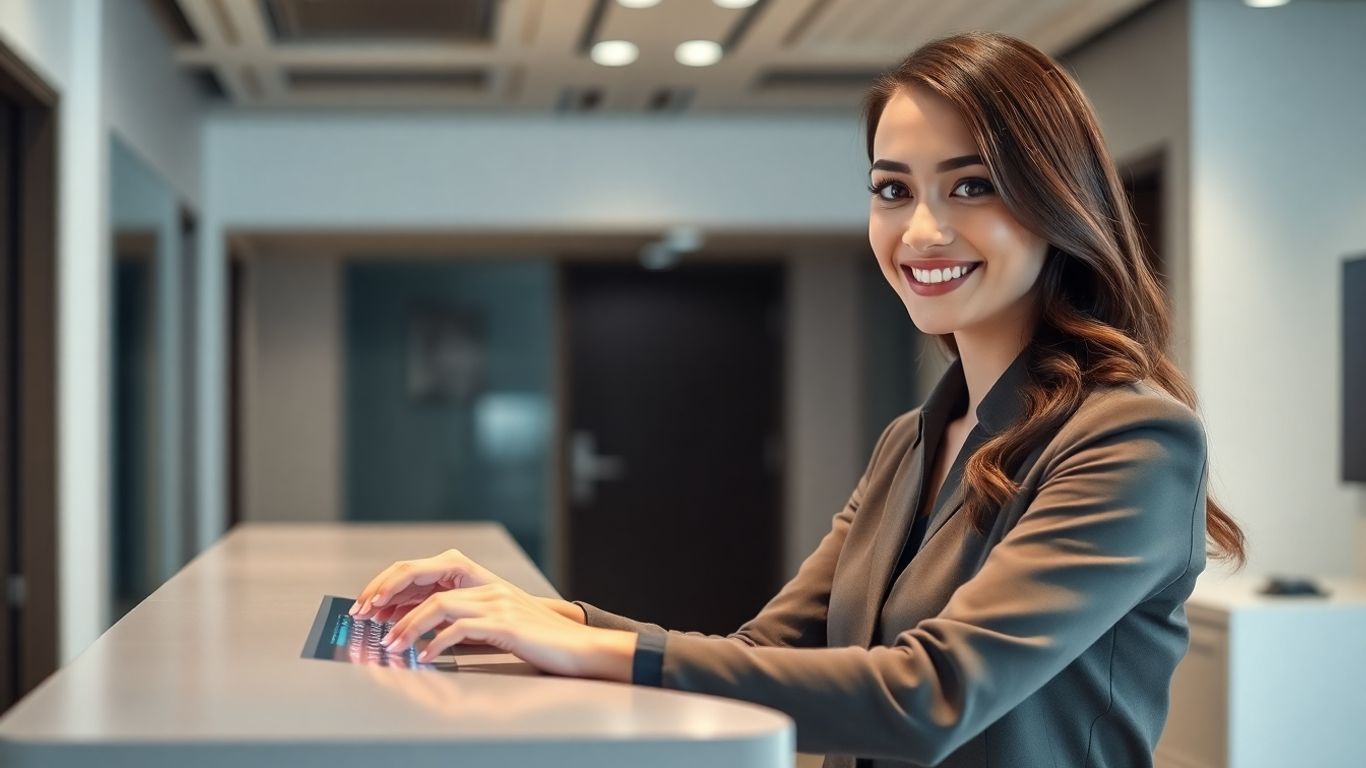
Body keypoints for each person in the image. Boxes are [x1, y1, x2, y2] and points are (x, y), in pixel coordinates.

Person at [349, 31, 1246, 768]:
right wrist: (552, 620)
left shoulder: (1130, 437)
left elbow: (931, 697)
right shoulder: (912, 440)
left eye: (971, 186)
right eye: (892, 190)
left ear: (1060, 203)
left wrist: (590, 650)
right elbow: (769, 653)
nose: (922, 228)